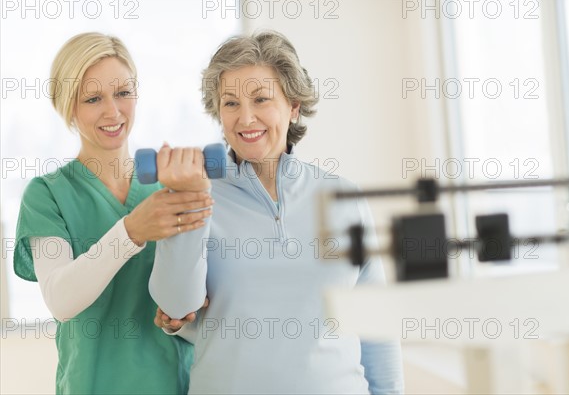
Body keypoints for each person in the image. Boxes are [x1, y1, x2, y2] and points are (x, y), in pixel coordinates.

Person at [150, 30, 404, 394]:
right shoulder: (198, 195)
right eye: (231, 103)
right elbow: (175, 303)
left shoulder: (343, 197)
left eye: (261, 99)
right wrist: (190, 198)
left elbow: (375, 326)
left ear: (294, 105)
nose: (246, 118)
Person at [13, 32, 212, 394]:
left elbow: (197, 308)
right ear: (68, 107)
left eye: (123, 92)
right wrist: (132, 231)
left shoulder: (166, 189)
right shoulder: (47, 195)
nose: (113, 111)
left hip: (171, 384)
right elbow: (61, 300)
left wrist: (180, 321)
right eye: (93, 98)